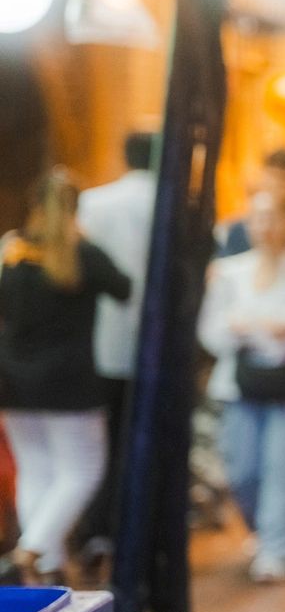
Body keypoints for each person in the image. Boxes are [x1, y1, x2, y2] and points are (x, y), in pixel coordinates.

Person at [197, 192, 285, 581]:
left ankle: (275, 548)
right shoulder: (228, 273)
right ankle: (265, 531)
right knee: (241, 469)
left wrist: (283, 329)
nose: (266, 226)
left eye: (273, 217)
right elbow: (211, 331)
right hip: (240, 383)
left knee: (283, 464)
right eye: (258, 218)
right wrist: (247, 329)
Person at [0, 170, 132, 581]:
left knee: (36, 469)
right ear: (76, 210)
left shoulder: (12, 251)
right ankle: (30, 551)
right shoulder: (83, 254)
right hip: (69, 383)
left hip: (13, 382)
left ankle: (49, 564)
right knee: (82, 470)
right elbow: (124, 288)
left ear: (34, 206)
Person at [74, 130, 158, 562]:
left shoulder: (93, 202)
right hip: (156, 342)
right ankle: (142, 530)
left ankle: (99, 529)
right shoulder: (167, 201)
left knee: (102, 439)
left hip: (101, 340)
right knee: (145, 439)